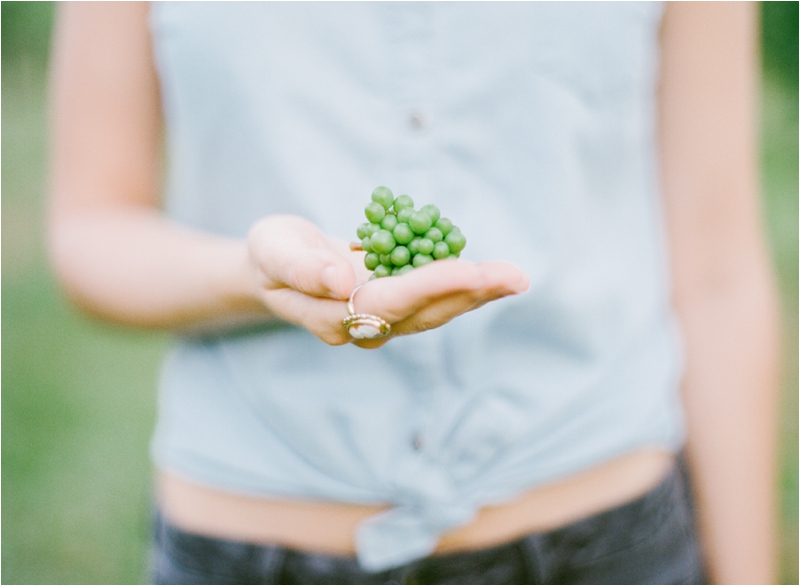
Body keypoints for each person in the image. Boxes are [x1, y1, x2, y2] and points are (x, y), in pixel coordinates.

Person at [48, 2, 780, 584]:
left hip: (609, 541)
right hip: (249, 545)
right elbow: (91, 228)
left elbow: (718, 273)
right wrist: (253, 275)